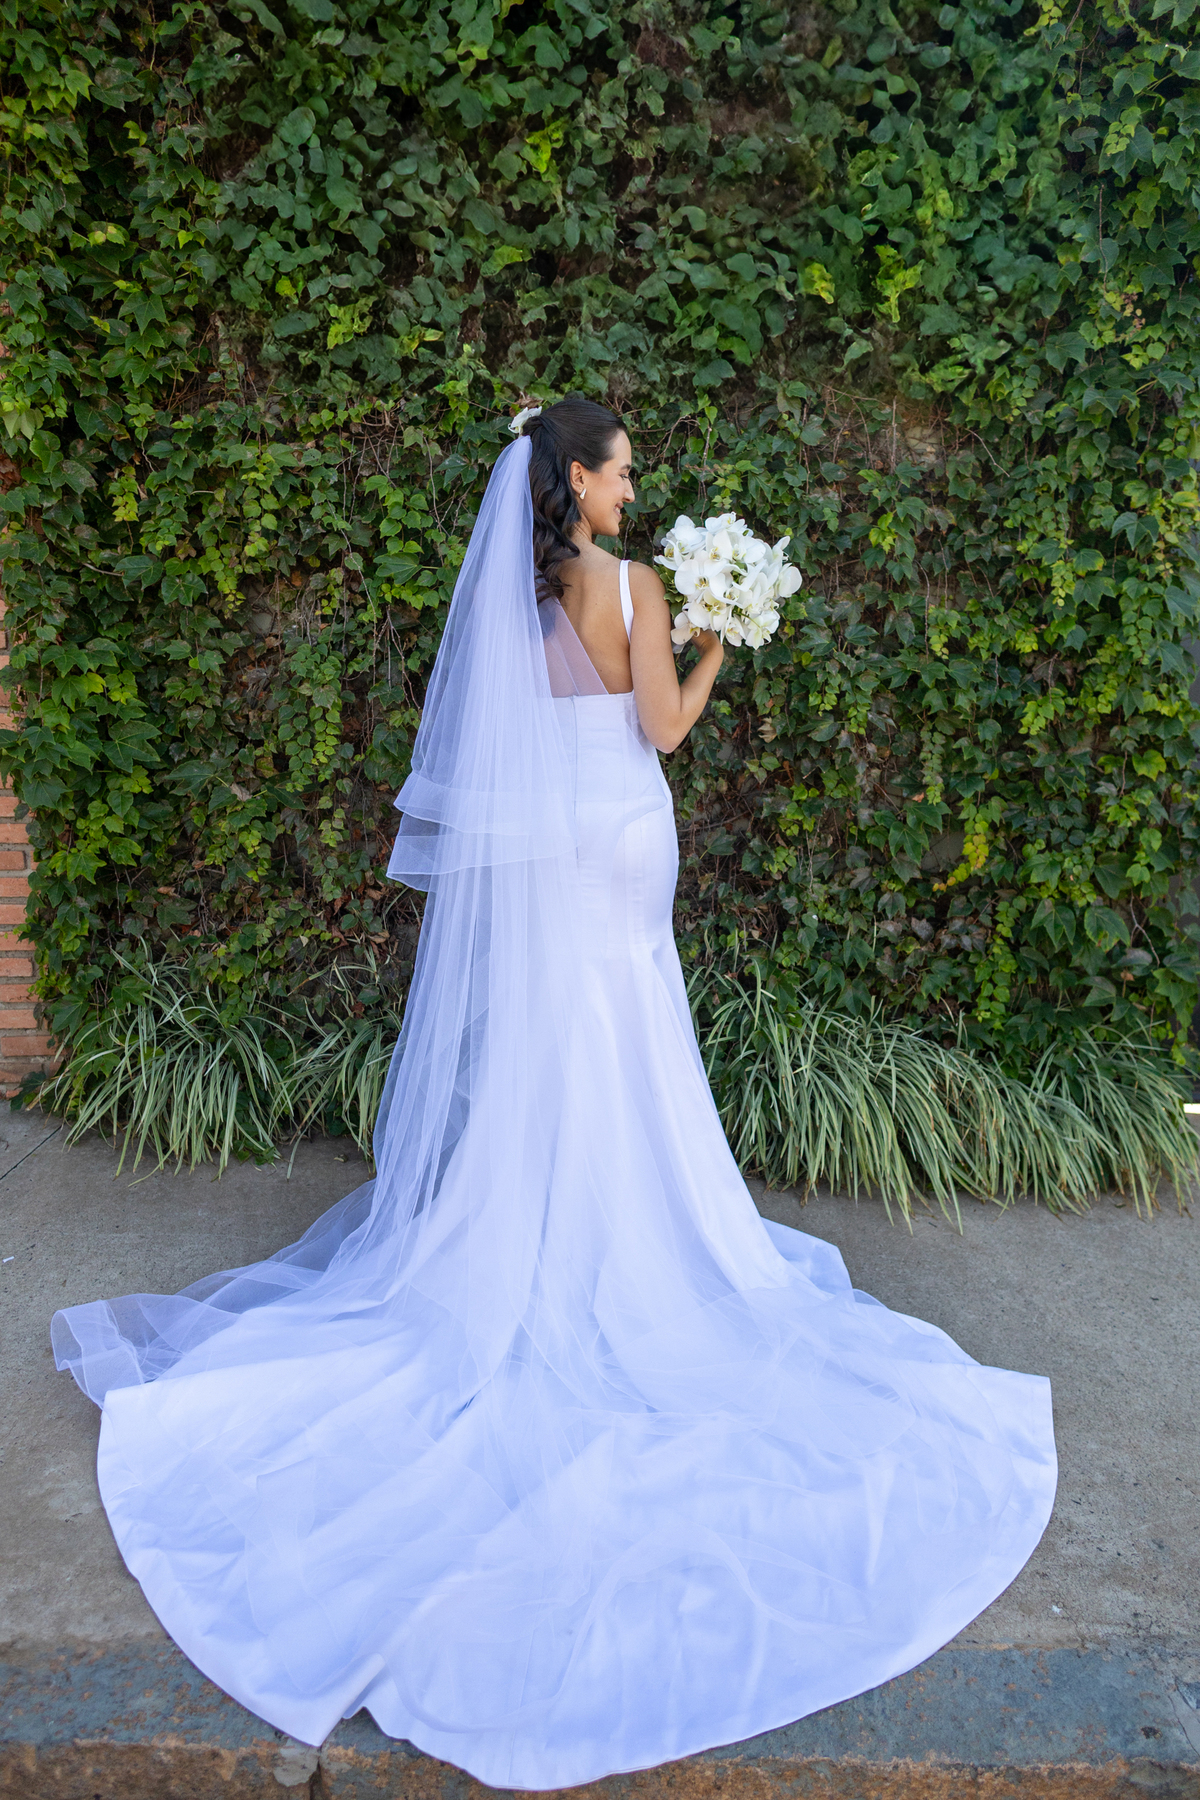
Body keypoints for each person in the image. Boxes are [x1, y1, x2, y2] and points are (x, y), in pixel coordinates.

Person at [52, 397, 1057, 1793]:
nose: (633, 490)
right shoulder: (635, 589)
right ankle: (636, 1237)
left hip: (547, 848)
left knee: (553, 1038)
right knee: (629, 1028)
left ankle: (540, 1229)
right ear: (576, 478)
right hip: (625, 839)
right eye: (621, 471)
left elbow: (506, 746)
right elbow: (664, 731)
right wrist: (715, 642)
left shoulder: (514, 602)